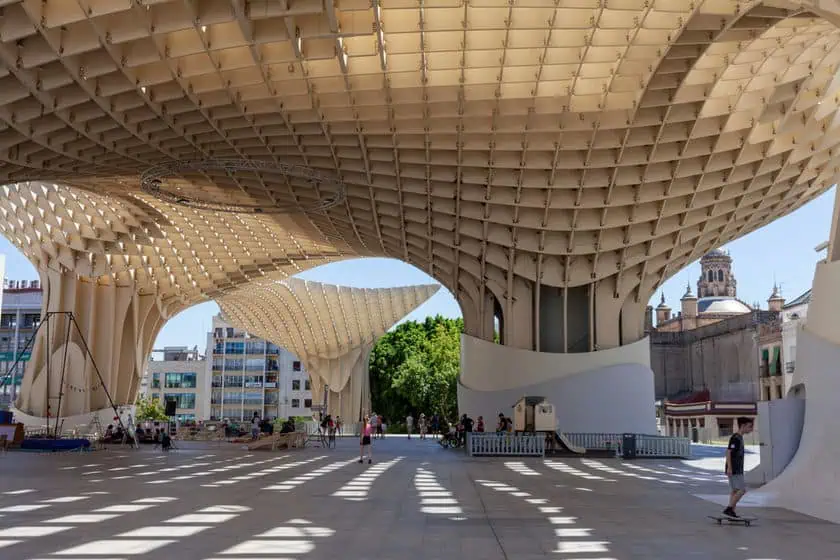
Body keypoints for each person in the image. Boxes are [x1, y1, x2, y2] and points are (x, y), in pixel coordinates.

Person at [723, 416, 754, 518]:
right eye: (749, 427)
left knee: (735, 490)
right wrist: (730, 468)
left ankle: (732, 511)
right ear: (743, 426)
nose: (751, 429)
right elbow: (728, 452)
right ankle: (729, 508)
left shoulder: (739, 437)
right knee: (742, 490)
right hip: (735, 468)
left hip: (737, 468)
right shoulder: (735, 438)